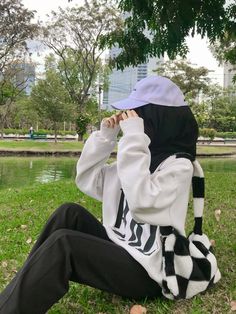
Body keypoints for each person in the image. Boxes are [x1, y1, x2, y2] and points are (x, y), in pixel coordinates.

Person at [0, 75, 199, 313]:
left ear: (157, 119)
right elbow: (87, 180)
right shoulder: (135, 160)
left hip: (150, 272)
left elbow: (142, 202)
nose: (130, 121)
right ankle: (18, 291)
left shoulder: (179, 166)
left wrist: (135, 139)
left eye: (136, 114)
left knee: (65, 244)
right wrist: (106, 137)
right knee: (68, 212)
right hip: (120, 248)